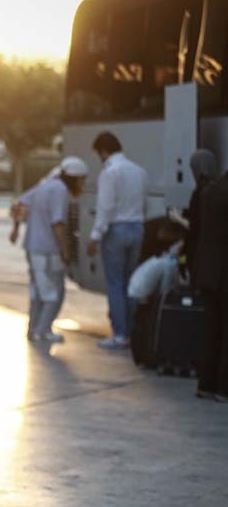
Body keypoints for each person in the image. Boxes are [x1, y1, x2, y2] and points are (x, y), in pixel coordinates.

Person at [8, 156, 88, 343]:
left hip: (32, 247)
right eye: (82, 180)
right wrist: (65, 250)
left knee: (37, 291)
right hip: (47, 249)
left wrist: (15, 229)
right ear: (74, 178)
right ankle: (42, 331)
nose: (83, 184)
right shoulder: (60, 190)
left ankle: (33, 328)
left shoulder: (44, 185)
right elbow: (58, 223)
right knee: (54, 293)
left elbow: (19, 203)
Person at [86, 131, 149, 349]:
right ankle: (132, 332)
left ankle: (120, 334)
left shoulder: (110, 173)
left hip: (116, 231)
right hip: (137, 228)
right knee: (131, 283)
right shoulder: (139, 171)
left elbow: (106, 208)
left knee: (115, 284)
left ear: (104, 151)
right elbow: (144, 204)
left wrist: (95, 236)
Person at [193, 158, 228, 402]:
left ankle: (206, 384)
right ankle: (224, 388)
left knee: (212, 329)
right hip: (225, 271)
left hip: (208, 271)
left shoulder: (212, 190)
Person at [184, 149, 219, 283]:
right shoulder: (217, 189)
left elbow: (195, 225)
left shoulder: (200, 192)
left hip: (198, 250)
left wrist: (177, 218)